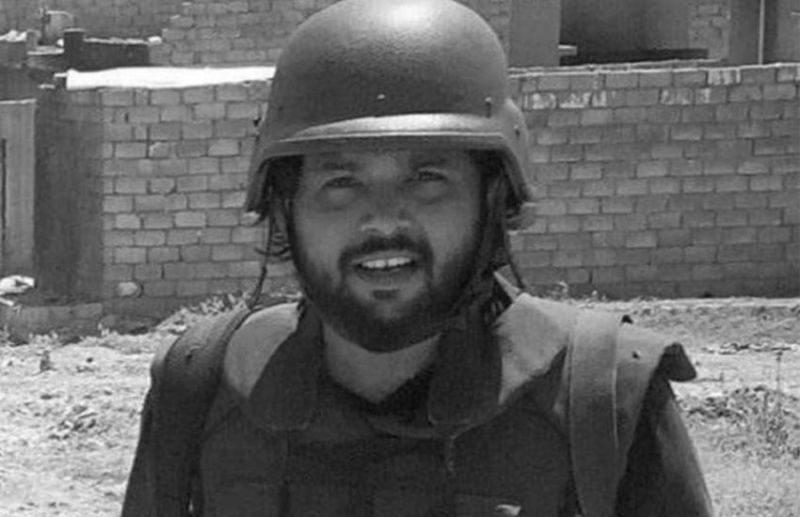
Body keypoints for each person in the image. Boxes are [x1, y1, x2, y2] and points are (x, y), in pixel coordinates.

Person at [121, 0, 714, 515]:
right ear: (285, 206)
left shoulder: (604, 399)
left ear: (492, 200)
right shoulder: (200, 389)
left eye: (428, 178)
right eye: (341, 182)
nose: (383, 219)